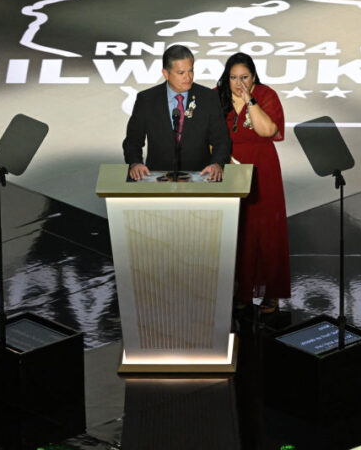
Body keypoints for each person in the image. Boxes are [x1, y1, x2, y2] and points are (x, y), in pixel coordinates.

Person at [217, 52, 290, 314]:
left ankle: (272, 293)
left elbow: (268, 131)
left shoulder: (266, 95)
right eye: (234, 77)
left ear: (254, 76)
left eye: (244, 77)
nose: (239, 83)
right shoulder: (217, 95)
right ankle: (242, 291)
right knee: (237, 229)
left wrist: (250, 101)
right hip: (228, 169)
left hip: (262, 168)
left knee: (266, 230)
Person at [123, 44, 230, 181]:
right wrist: (135, 163)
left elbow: (222, 140)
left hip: (200, 178)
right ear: (166, 73)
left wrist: (217, 163)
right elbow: (133, 141)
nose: (188, 77)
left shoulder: (208, 98)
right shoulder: (147, 100)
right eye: (181, 73)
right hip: (158, 179)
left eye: (190, 71)